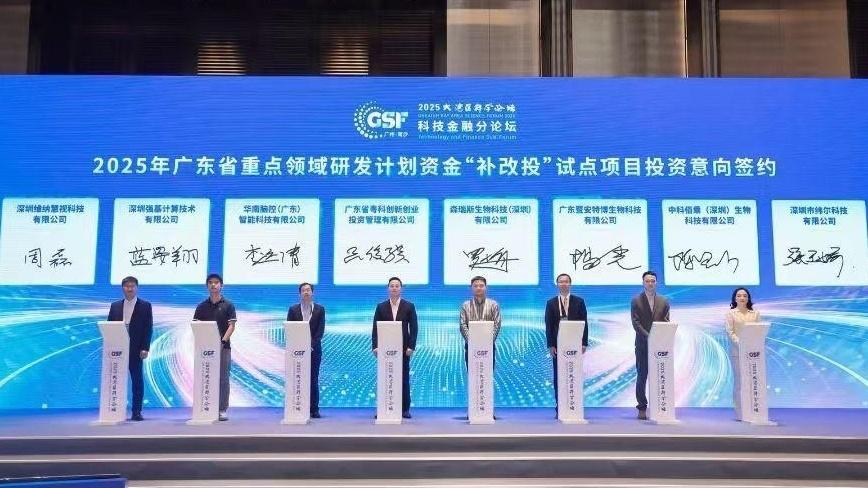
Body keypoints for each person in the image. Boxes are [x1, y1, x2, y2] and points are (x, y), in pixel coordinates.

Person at [107, 276, 153, 421]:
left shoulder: (145, 306)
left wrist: (145, 347)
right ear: (122, 288)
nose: (130, 289)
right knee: (115, 379)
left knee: (137, 381)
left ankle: (136, 411)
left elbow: (148, 328)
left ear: (137, 288)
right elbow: (109, 327)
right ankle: (114, 410)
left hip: (136, 348)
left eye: (132, 286)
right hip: (117, 349)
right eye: (127, 286)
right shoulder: (115, 306)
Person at [372, 277, 418, 419]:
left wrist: (411, 346)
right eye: (392, 286)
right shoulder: (381, 306)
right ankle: (383, 408)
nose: (394, 288)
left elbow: (414, 328)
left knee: (403, 378)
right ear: (388, 288)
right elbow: (375, 328)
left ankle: (405, 409)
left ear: (401, 289)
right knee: (385, 377)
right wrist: (375, 346)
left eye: (397, 286)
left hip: (403, 349)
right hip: (385, 349)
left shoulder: (409, 306)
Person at [193, 273, 236, 421]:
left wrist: (222, 342)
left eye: (216, 282)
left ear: (221, 286)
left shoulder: (228, 305)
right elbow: (196, 326)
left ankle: (222, 409)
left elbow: (232, 326)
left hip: (223, 348)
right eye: (210, 282)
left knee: (223, 378)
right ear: (207, 286)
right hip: (205, 349)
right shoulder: (201, 306)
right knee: (205, 376)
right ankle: (205, 406)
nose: (213, 285)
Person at [544, 273, 588, 413]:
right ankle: (560, 405)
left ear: (570, 284)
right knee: (559, 375)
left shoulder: (579, 302)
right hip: (558, 346)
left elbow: (585, 323)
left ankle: (574, 404)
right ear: (557, 284)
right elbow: (549, 325)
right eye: (561, 282)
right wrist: (551, 345)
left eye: (566, 281)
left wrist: (584, 342)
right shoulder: (551, 303)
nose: (564, 284)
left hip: (575, 344)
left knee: (574, 374)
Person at [630, 270, 670, 420]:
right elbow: (636, 323)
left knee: (660, 375)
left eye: (653, 281)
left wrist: (659, 338)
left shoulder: (664, 301)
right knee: (642, 376)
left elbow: (666, 321)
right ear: (643, 283)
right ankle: (642, 407)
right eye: (647, 281)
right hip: (642, 344)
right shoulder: (636, 300)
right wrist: (649, 337)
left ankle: (659, 405)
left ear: (656, 282)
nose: (650, 283)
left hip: (660, 346)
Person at [286, 282, 325, 418]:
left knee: (313, 378)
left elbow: (320, 331)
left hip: (315, 350)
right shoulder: (293, 310)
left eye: (308, 290)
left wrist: (310, 345)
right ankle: (298, 407)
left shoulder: (320, 309)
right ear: (300, 293)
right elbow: (290, 329)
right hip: (296, 351)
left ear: (312, 292)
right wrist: (300, 345)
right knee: (298, 378)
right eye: (303, 290)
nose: (306, 292)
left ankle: (314, 409)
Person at [726, 287, 760, 421]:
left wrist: (753, 344)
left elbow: (758, 331)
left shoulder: (755, 314)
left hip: (753, 353)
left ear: (748, 298)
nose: (742, 298)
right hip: (737, 352)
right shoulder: (731, 314)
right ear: (735, 298)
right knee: (740, 382)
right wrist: (741, 344)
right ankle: (740, 413)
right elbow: (730, 332)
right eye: (739, 295)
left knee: (753, 381)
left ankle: (754, 411)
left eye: (745, 296)